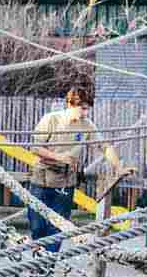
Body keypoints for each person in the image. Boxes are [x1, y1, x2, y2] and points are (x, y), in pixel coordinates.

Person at [26, 86, 124, 244]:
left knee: (58, 227)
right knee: (36, 223)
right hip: (42, 177)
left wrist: (119, 167)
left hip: (66, 180)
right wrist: (59, 157)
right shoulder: (51, 119)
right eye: (82, 108)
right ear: (70, 104)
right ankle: (40, 257)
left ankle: (48, 265)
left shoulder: (87, 125)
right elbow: (35, 148)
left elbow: (104, 146)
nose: (85, 113)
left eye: (88, 109)